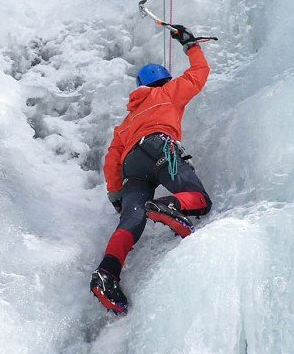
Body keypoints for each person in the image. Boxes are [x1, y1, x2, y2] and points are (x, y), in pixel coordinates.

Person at [90, 25, 213, 314]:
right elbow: (198, 75)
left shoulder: (127, 120)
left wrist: (116, 193)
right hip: (160, 147)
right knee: (199, 199)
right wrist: (190, 45)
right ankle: (167, 206)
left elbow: (112, 157)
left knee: (130, 221)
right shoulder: (169, 93)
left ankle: (106, 274)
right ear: (164, 80)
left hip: (132, 165)